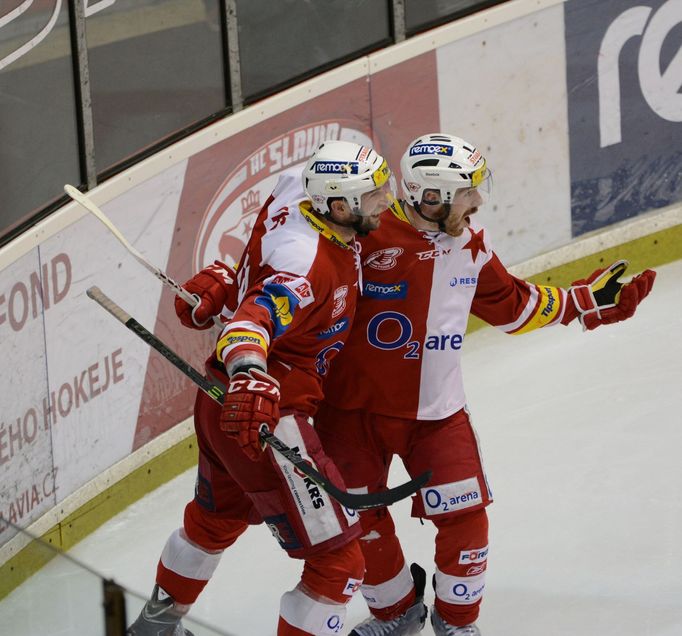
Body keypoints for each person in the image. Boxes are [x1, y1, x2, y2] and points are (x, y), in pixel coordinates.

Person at [311, 133, 657, 636]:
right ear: (432, 198)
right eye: (468, 192)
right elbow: (295, 276)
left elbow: (512, 306)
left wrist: (585, 302)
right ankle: (397, 614)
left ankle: (456, 624)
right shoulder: (363, 233)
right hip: (348, 414)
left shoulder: (471, 242)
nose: (479, 202)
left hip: (437, 414)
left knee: (466, 517)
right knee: (355, 520)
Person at [126, 139, 396, 636]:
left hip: (218, 402)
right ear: (339, 205)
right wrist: (250, 371)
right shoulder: (306, 265)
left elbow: (254, 273)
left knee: (214, 522)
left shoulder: (295, 188)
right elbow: (251, 322)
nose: (386, 202)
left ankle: (153, 628)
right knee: (340, 566)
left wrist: (227, 282)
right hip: (268, 419)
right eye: (375, 196)